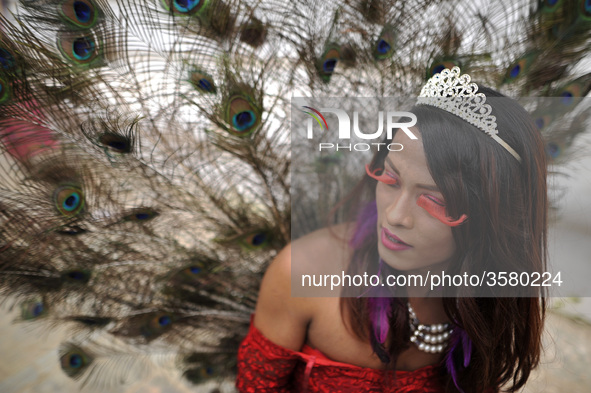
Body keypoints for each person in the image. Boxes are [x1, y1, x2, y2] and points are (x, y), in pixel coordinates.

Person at [236, 67, 547, 393]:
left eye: (433, 199)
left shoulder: (491, 297)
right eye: (390, 178)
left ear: (489, 220)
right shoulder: (300, 271)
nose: (395, 215)